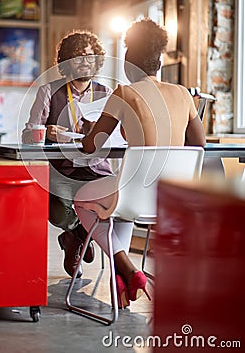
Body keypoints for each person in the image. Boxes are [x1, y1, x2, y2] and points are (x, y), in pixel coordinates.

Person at [74, 18, 206, 309]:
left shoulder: (124, 93)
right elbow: (199, 145)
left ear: (127, 61)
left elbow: (90, 147)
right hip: (172, 198)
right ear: (159, 61)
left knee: (82, 200)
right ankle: (123, 278)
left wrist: (86, 129)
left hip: (134, 194)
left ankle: (129, 268)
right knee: (118, 208)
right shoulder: (184, 95)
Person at [22, 30, 113, 278]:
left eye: (90, 56)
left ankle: (77, 239)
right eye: (78, 56)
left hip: (97, 169)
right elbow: (27, 135)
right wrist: (46, 132)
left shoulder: (106, 93)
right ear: (66, 62)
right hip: (62, 170)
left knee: (112, 206)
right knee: (58, 213)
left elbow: (119, 136)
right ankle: (77, 234)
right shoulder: (49, 91)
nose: (85, 61)